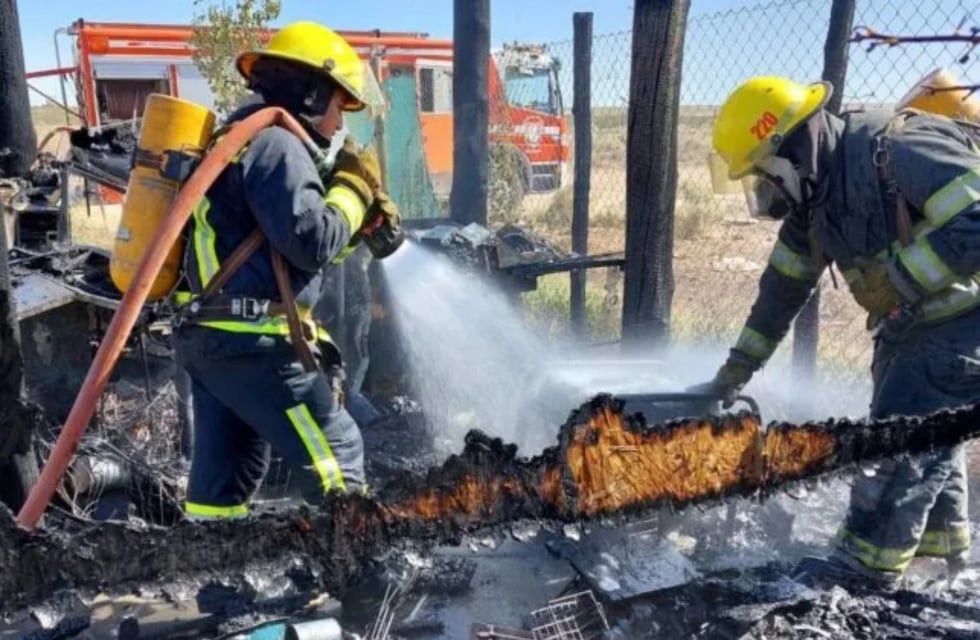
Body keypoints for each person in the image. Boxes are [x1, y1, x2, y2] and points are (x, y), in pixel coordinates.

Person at [696, 75, 980, 584]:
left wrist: (898, 277)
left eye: (763, 175)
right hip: (915, 329)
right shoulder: (814, 200)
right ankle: (939, 558)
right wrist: (735, 371)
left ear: (793, 150)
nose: (764, 192)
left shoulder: (899, 150)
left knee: (902, 445)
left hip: (963, 327)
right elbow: (780, 292)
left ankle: (861, 573)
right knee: (931, 440)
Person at [171, 21, 398, 519]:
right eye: (340, 107)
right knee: (338, 454)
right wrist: (354, 191)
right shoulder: (277, 143)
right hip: (256, 342)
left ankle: (222, 590)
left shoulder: (243, 139)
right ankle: (362, 588)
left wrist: (354, 224)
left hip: (215, 338)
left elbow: (290, 250)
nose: (340, 126)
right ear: (313, 93)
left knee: (225, 480)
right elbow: (312, 241)